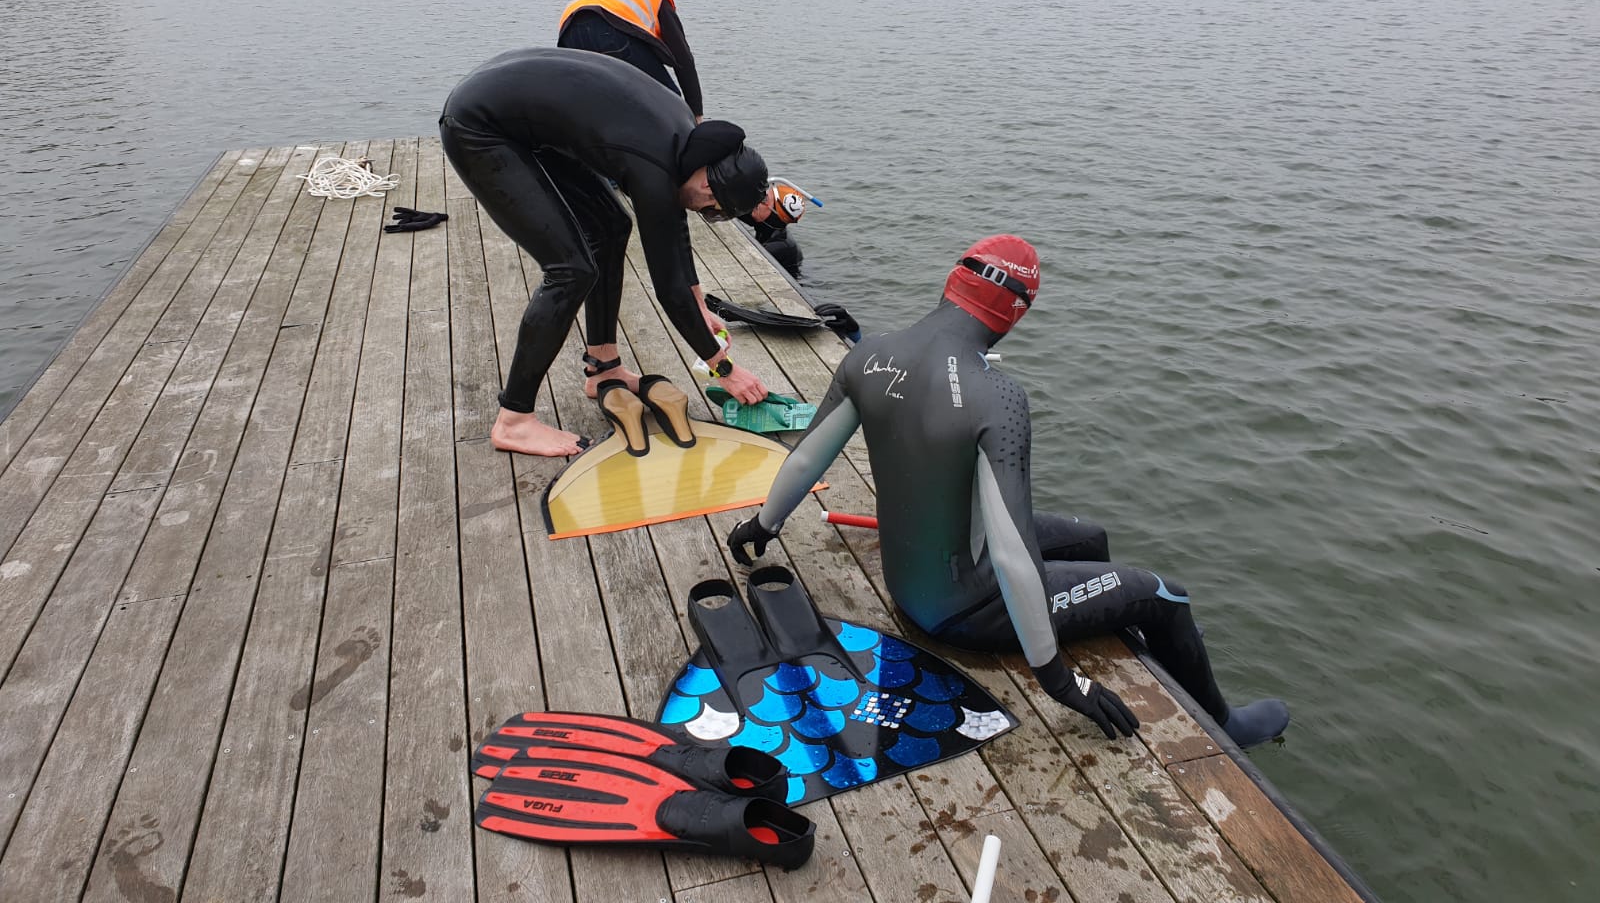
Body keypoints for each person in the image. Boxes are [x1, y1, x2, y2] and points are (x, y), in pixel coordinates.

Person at [728, 236, 1291, 747]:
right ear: (1017, 313)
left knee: (1088, 537)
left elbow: (805, 455)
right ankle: (1226, 725)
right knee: (1166, 595)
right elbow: (1011, 554)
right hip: (964, 610)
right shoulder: (997, 398)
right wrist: (1060, 680)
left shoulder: (869, 354)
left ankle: (1104, 627)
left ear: (953, 281)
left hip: (909, 583)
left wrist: (763, 526)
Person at [440, 48, 771, 458]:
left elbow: (674, 238)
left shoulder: (685, 140)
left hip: (525, 122)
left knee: (612, 227)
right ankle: (514, 420)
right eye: (713, 211)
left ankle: (603, 367)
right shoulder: (654, 165)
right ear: (708, 187)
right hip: (480, 128)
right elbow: (668, 288)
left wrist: (699, 301)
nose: (705, 214)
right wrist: (725, 370)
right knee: (571, 269)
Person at [557, 0, 705, 120]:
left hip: (569, 35)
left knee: (602, 104)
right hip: (610, 29)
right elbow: (682, 57)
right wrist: (696, 113)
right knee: (668, 100)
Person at [738, 180, 808, 274]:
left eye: (765, 199)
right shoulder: (767, 224)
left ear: (775, 214)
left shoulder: (777, 247)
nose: (758, 200)